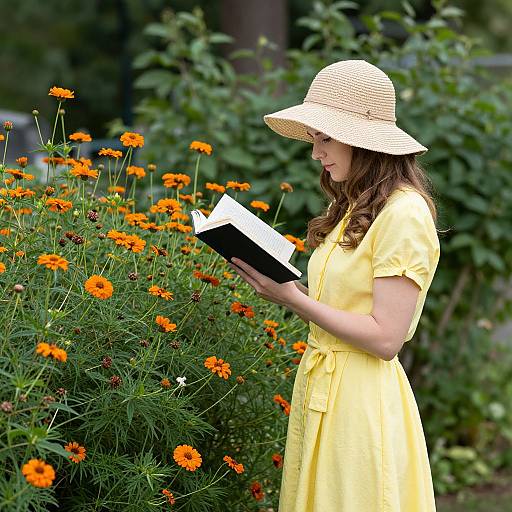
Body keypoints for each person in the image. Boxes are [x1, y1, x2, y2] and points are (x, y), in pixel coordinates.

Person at [227, 59, 440, 511]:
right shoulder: (359, 206)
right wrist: (286, 289)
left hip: (361, 403)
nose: (315, 152)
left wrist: (293, 301)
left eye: (324, 137)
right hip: (327, 390)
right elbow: (348, 307)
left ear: (359, 139)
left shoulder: (403, 213)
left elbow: (385, 337)